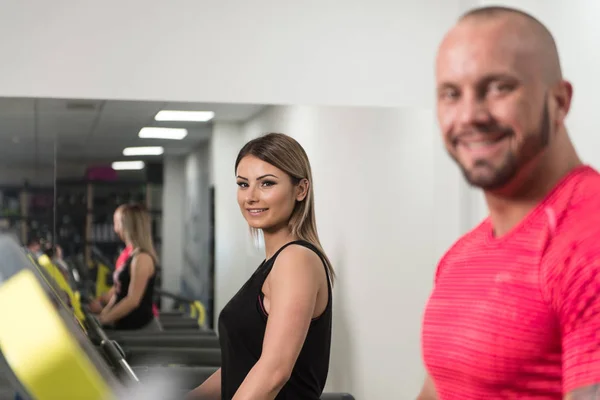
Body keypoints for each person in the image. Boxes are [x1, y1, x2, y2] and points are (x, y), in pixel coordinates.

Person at [419, 6, 600, 400]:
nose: (469, 115)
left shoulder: (589, 242)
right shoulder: (460, 257)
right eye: (451, 94)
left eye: (498, 87)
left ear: (560, 100)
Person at [188, 133, 334, 400]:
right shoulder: (274, 263)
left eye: (266, 183)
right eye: (243, 184)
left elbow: (273, 372)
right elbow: (243, 365)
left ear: (301, 190)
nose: (251, 196)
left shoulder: (296, 260)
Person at [98, 203, 160, 331]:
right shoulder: (131, 256)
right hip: (126, 328)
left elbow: (133, 300)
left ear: (128, 226)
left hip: (142, 331)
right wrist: (103, 315)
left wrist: (104, 319)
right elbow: (118, 293)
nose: (115, 229)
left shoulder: (142, 258)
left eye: (117, 223)